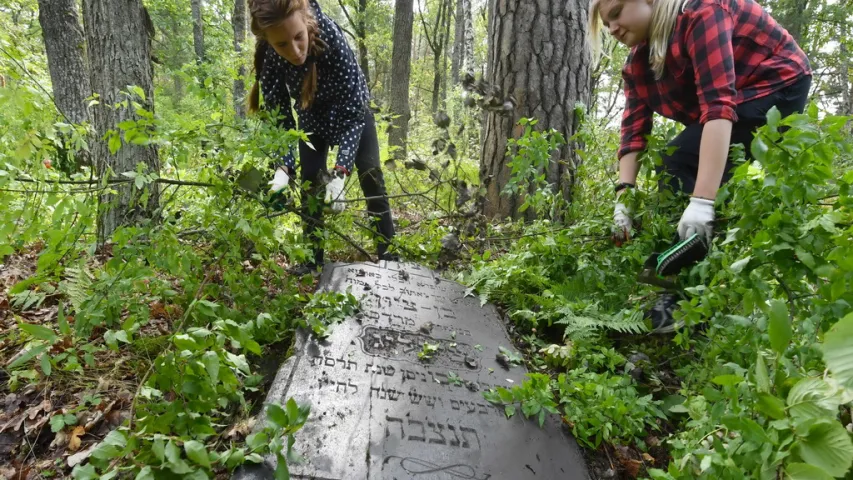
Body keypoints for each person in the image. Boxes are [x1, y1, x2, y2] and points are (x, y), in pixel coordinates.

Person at [588, 0, 812, 331]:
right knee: (679, 166)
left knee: (677, 163)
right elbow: (633, 132)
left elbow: (719, 106)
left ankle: (686, 293)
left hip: (778, 85)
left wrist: (701, 201)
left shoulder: (703, 12)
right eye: (606, 25)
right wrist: (624, 199)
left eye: (617, 12)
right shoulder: (639, 65)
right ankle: (694, 281)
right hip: (734, 101)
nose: (612, 29)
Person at [247, 0, 397, 275]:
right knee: (310, 184)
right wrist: (283, 167)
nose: (294, 51)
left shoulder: (330, 38)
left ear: (306, 23)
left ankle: (388, 255)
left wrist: (340, 172)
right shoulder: (270, 58)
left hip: (352, 111)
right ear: (268, 40)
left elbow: (354, 113)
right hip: (311, 116)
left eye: (298, 38)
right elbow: (279, 115)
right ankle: (313, 260)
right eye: (282, 45)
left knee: (371, 177)